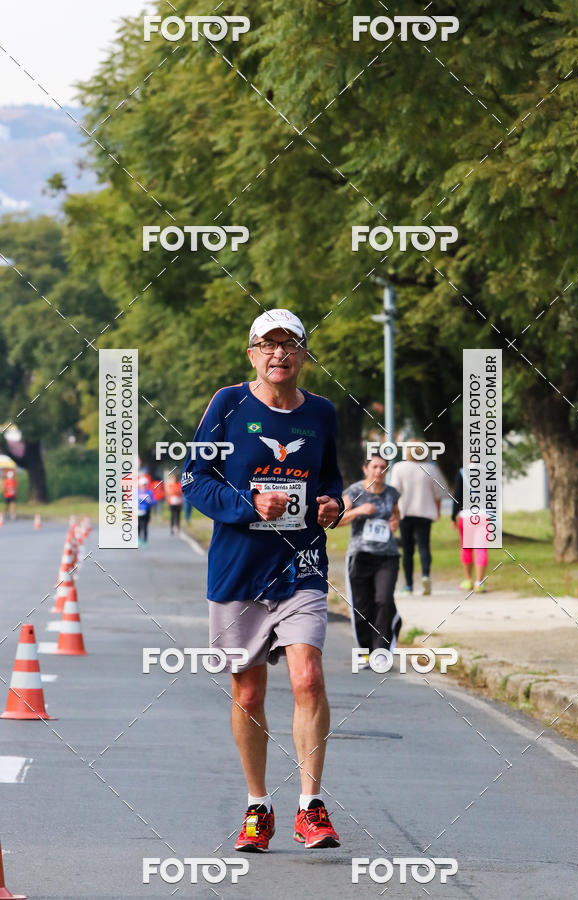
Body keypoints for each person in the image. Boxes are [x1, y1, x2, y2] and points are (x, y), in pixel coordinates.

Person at [182, 308, 344, 854]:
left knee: (308, 678)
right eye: (268, 345)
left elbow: (333, 482)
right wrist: (249, 504)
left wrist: (333, 505)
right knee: (249, 690)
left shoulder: (322, 413)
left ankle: (309, 807)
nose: (280, 354)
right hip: (238, 570)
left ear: (304, 353)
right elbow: (194, 482)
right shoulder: (228, 406)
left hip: (302, 566)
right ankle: (258, 806)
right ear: (252, 353)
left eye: (290, 344)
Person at [338, 453, 402, 666]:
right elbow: (337, 520)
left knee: (383, 600)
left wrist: (394, 523)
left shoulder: (392, 493)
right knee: (362, 606)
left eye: (383, 467)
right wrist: (358, 511)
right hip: (360, 556)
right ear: (366, 469)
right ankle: (365, 650)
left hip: (387, 556)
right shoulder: (355, 492)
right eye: (375, 467)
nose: (379, 471)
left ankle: (381, 652)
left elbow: (396, 515)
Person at [390, 441, 446, 595]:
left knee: (407, 550)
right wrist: (438, 511)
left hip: (405, 513)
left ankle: (408, 585)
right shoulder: (431, 469)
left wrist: (394, 513)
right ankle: (425, 576)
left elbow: (395, 491)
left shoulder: (399, 467)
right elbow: (439, 494)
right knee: (424, 546)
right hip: (425, 513)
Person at [451, 468, 488, 592]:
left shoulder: (462, 472)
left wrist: (453, 516)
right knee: (481, 549)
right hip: (483, 515)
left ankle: (468, 581)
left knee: (466, 549)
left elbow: (457, 496)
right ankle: (479, 583)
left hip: (466, 515)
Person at [138, 472, 155, 546]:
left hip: (147, 511)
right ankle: (138, 539)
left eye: (145, 484)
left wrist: (150, 501)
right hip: (138, 511)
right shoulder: (137, 492)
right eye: (142, 485)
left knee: (145, 526)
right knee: (139, 525)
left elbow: (154, 501)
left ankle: (145, 540)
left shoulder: (149, 492)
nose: (144, 486)